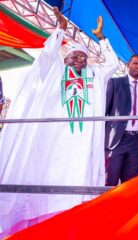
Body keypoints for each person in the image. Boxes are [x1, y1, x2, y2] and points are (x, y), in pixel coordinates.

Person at [0, 7, 119, 236]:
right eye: (74, 56)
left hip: (82, 147)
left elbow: (112, 64)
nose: (79, 59)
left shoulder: (95, 76)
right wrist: (61, 30)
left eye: (83, 57)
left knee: (77, 188)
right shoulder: (55, 71)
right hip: (50, 143)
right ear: (66, 58)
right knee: (47, 185)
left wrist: (102, 38)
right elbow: (46, 55)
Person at [104, 54, 138, 186]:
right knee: (110, 179)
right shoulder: (114, 82)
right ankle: (107, 206)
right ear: (128, 65)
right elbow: (105, 110)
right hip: (116, 139)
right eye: (135, 63)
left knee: (130, 181)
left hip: (137, 140)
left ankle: (127, 206)